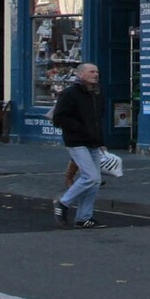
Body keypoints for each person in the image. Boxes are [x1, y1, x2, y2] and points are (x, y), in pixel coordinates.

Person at [51, 62, 106, 228]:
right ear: (80, 74)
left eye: (97, 71)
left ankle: (83, 217)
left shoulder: (96, 94)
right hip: (76, 141)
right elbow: (59, 118)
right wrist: (79, 128)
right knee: (91, 177)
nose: (95, 74)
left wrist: (101, 141)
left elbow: (97, 120)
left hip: (93, 142)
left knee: (94, 181)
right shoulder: (70, 94)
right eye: (91, 71)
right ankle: (63, 203)